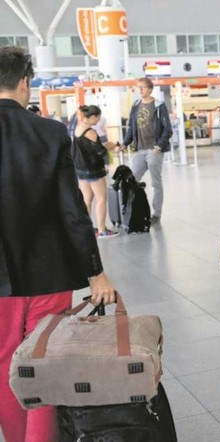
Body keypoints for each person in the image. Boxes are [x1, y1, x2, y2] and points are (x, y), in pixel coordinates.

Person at [0, 45, 116, 442]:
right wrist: (95, 273)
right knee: (45, 361)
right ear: (25, 81)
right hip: (50, 273)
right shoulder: (49, 133)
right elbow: (73, 212)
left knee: (4, 365)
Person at [122, 77, 173, 224]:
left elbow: (167, 129)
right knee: (131, 180)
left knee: (156, 183)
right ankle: (130, 210)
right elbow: (131, 127)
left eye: (143, 87)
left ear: (150, 89)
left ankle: (156, 213)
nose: (140, 90)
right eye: (138, 87)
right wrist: (125, 143)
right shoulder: (136, 105)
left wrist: (160, 145)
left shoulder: (159, 106)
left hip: (154, 149)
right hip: (139, 149)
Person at [73, 105, 119, 238]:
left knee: (87, 200)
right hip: (93, 170)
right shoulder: (91, 132)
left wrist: (103, 146)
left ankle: (87, 229)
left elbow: (89, 148)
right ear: (93, 116)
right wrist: (110, 146)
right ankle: (102, 230)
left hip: (81, 169)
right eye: (97, 118)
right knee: (101, 199)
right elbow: (99, 152)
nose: (98, 121)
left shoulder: (78, 128)